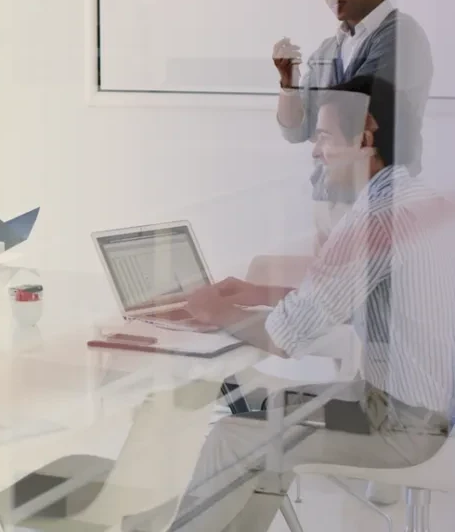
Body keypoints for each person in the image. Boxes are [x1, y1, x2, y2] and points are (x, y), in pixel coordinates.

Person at [141, 76, 454, 532]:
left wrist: (211, 309)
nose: (313, 150)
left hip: (403, 427)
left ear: (365, 138)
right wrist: (259, 294)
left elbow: (284, 338)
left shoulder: (373, 218)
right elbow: (364, 300)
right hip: (418, 410)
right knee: (263, 415)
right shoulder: (415, 198)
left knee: (235, 435)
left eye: (324, 136)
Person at [273, 0, 433, 250]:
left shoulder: (402, 36)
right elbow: (297, 129)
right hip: (334, 199)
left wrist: (316, 106)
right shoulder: (328, 48)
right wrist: (289, 82)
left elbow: (352, 116)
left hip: (379, 201)